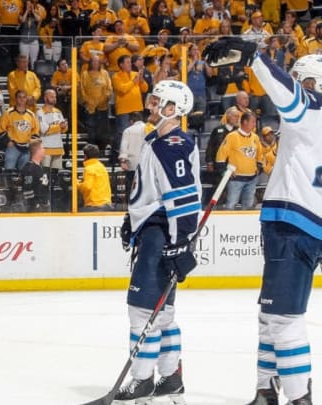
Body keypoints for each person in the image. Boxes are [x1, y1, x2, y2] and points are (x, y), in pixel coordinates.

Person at [204, 36, 322, 405]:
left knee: (283, 318)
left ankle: (298, 397)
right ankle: (264, 389)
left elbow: (287, 93)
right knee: (270, 314)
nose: (299, 85)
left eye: (304, 80)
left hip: (294, 223)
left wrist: (255, 57)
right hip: (298, 220)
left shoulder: (313, 110)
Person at [116, 80, 200, 403]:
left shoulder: (173, 145)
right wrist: (132, 218)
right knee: (163, 315)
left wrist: (179, 244)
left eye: (157, 101)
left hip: (161, 235)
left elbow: (185, 200)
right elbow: (149, 190)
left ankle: (142, 380)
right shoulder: (157, 139)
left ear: (172, 109)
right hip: (155, 230)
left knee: (141, 311)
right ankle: (170, 377)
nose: (151, 105)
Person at [215, 111, 262, 210]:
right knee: (231, 205)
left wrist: (258, 167)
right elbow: (220, 155)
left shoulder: (255, 137)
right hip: (236, 179)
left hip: (252, 179)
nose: (254, 124)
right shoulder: (232, 136)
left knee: (249, 206)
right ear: (245, 122)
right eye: (253, 122)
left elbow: (260, 155)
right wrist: (224, 171)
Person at [0, 89, 40, 171]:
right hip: (13, 147)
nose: (22, 99)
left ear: (26, 99)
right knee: (9, 171)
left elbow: (35, 131)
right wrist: (8, 141)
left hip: (26, 148)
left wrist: (31, 143)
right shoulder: (9, 113)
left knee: (23, 173)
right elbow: (1, 129)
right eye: (19, 97)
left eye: (24, 97)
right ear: (16, 98)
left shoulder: (31, 115)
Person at [36, 88, 67, 171]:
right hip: (46, 148)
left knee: (55, 175)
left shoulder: (58, 112)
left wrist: (64, 127)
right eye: (52, 97)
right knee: (45, 174)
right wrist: (59, 127)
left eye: (55, 97)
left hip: (58, 148)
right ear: (45, 98)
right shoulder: (40, 112)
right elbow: (44, 130)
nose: (54, 99)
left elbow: (64, 130)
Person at [118, 111, 145, 200]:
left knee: (131, 185)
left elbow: (124, 147)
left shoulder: (128, 130)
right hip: (146, 163)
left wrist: (123, 161)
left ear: (131, 121)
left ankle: (132, 202)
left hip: (132, 163)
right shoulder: (150, 129)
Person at [79, 144, 112, 210]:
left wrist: (77, 185)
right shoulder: (101, 166)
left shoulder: (89, 168)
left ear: (85, 156)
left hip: (94, 205)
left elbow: (87, 187)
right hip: (107, 203)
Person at [21, 139, 50, 212]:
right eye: (43, 148)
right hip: (35, 208)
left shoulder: (41, 167)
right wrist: (35, 205)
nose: (44, 150)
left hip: (44, 205)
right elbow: (27, 189)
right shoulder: (29, 168)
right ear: (38, 150)